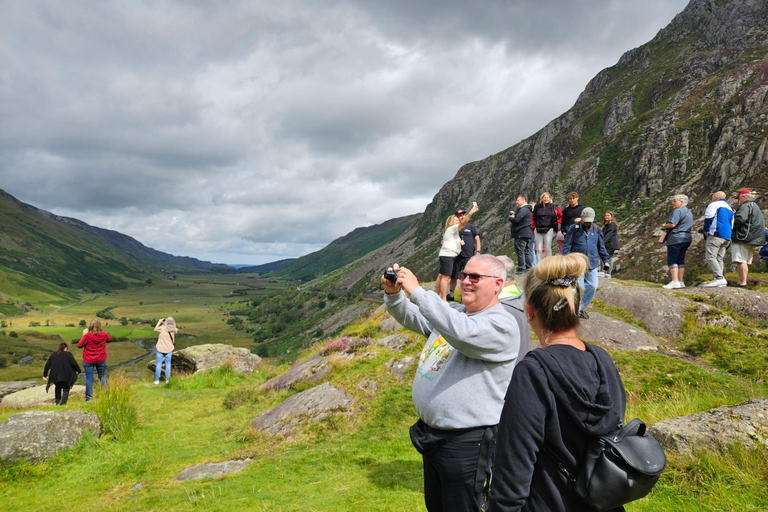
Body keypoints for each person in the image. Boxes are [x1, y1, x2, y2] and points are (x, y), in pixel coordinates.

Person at [487, 253, 627, 512]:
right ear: (576, 308)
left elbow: (514, 468)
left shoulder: (533, 371)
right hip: (605, 502)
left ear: (530, 311)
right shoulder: (602, 360)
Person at [382, 254, 520, 512]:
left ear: (498, 284)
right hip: (433, 437)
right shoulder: (455, 313)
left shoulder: (501, 325)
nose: (466, 281)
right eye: (464, 275)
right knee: (437, 505)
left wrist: (419, 293)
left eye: (475, 277)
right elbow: (417, 317)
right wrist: (394, 296)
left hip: (467, 443)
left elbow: (462, 332)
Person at [561, 207, 610, 319]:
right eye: (586, 220)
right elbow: (567, 245)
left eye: (589, 220)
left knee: (593, 286)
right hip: (577, 264)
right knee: (579, 286)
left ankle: (579, 309)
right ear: (581, 217)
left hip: (592, 263)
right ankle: (574, 310)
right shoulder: (574, 229)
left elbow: (601, 247)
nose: (588, 222)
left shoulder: (597, 229)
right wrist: (564, 260)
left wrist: (606, 260)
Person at [436, 203, 478, 301]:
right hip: (448, 255)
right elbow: (463, 223)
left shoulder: (452, 231)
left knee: (442, 275)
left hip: (449, 255)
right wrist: (471, 212)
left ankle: (438, 296)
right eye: (456, 220)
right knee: (446, 277)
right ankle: (443, 299)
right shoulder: (452, 229)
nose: (458, 221)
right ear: (451, 222)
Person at [731, 189, 766, 287]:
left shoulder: (745, 206)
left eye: (739, 198)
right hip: (752, 238)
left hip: (743, 237)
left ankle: (742, 283)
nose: (738, 201)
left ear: (744, 197)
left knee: (740, 260)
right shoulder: (755, 206)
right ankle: (741, 282)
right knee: (744, 261)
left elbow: (740, 220)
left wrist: (732, 220)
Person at [702, 191, 734, 287]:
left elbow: (709, 217)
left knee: (711, 256)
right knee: (719, 258)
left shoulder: (714, 205)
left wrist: (706, 230)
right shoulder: (729, 208)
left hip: (716, 234)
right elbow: (731, 223)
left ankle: (719, 278)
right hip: (727, 236)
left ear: (715, 197)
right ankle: (721, 280)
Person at [449, 207, 482, 301]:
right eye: (459, 215)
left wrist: (478, 252)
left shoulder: (471, 227)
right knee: (454, 276)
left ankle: (469, 294)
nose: (462, 216)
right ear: (457, 217)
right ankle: (451, 295)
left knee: (469, 276)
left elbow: (477, 239)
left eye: (463, 214)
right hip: (457, 256)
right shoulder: (455, 228)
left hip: (469, 256)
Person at [661, 194, 694, 289]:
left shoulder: (677, 211)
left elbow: (672, 224)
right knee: (681, 259)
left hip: (676, 238)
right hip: (687, 238)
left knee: (672, 259)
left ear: (682, 202)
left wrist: (664, 225)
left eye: (675, 201)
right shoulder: (689, 212)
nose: (673, 203)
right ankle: (680, 281)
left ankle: (674, 281)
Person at [77, 318, 112, 401]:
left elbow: (79, 345)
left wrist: (84, 335)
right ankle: (106, 396)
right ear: (99, 326)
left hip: (88, 360)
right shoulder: (104, 334)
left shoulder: (87, 336)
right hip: (101, 359)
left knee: (89, 379)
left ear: (90, 326)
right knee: (102, 377)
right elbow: (109, 340)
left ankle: (88, 398)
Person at [509, 195, 533, 274]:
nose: (516, 202)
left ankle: (521, 268)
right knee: (526, 251)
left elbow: (517, 220)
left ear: (523, 200)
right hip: (527, 233)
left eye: (518, 200)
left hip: (521, 233)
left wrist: (511, 218)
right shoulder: (527, 209)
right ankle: (529, 267)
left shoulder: (523, 209)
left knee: (520, 251)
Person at [533, 192, 560, 261]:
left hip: (549, 229)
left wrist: (557, 223)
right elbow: (533, 217)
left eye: (547, 197)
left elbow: (560, 215)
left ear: (550, 199)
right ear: (542, 198)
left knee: (548, 248)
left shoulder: (553, 207)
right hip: (538, 229)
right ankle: (538, 265)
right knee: (539, 249)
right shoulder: (537, 207)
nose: (546, 199)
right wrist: (534, 226)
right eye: (544, 197)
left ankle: (549, 264)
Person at [154, 316, 178, 384]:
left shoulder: (162, 328)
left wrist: (160, 322)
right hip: (169, 349)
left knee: (158, 364)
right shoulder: (174, 330)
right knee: (168, 364)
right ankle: (167, 380)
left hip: (160, 349)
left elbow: (155, 330)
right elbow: (174, 328)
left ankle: (157, 380)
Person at [601, 211, 620, 277]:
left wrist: (602, 243)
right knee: (609, 258)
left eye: (608, 215)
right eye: (605, 215)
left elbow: (608, 235)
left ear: (611, 217)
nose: (606, 216)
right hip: (612, 244)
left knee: (603, 256)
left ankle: (602, 272)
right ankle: (608, 273)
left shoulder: (612, 224)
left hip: (610, 244)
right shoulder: (608, 224)